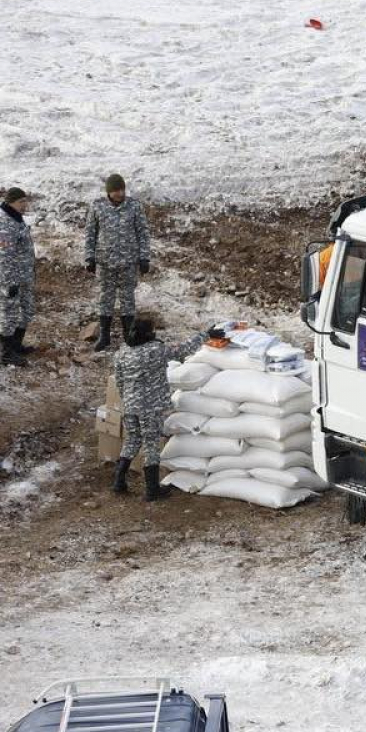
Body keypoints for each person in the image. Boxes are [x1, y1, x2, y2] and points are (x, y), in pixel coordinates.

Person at [112, 319, 227, 500]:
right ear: (148, 333)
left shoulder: (122, 352)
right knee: (151, 444)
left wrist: (128, 399)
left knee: (132, 439)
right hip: (149, 407)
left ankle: (118, 480)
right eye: (153, 329)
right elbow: (181, 350)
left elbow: (118, 380)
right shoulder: (154, 350)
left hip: (129, 405)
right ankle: (152, 490)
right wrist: (206, 334)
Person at [85, 172, 151, 352]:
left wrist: (144, 257)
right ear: (109, 191)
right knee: (105, 298)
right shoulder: (97, 207)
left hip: (128, 262)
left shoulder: (134, 206)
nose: (120, 193)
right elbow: (90, 233)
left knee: (127, 299)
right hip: (105, 262)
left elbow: (143, 233)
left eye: (122, 189)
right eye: (116, 190)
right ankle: (104, 335)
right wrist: (89, 257)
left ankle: (128, 336)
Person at [1, 187, 37, 367]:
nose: (25, 205)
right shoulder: (5, 223)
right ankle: (6, 353)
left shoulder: (16, 217)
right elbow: (4, 257)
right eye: (21, 202)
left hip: (24, 276)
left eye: (25, 201)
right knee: (10, 314)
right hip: (11, 279)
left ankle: (15, 345)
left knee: (27, 310)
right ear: (10, 202)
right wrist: (9, 283)